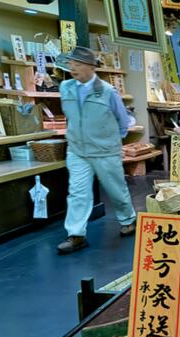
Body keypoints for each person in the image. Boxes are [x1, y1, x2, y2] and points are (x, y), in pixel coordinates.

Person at [57, 46, 136, 255]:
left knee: (116, 189)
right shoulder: (65, 87)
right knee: (77, 192)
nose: (72, 68)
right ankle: (76, 235)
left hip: (105, 151)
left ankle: (128, 219)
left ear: (91, 67)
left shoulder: (108, 91)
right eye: (71, 64)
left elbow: (123, 120)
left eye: (78, 64)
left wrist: (111, 140)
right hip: (77, 150)